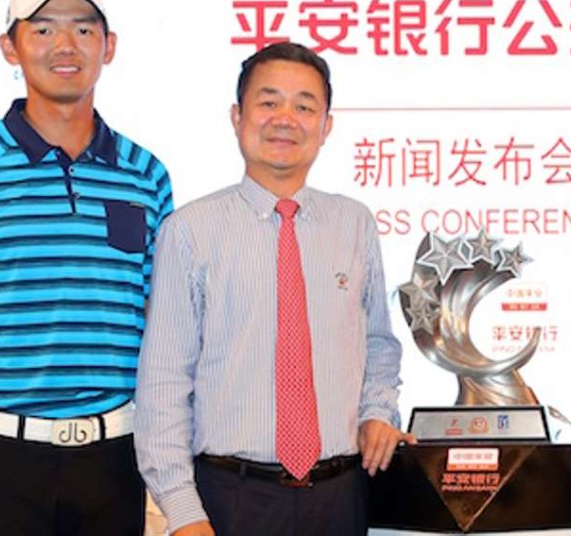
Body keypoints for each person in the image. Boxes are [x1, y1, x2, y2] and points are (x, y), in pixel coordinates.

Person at [0, 0, 174, 535]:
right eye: (44, 29)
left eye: (83, 28)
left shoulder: (145, 174)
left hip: (112, 462)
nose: (65, 45)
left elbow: (158, 320)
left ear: (109, 46)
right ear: (11, 47)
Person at [134, 41, 410, 536]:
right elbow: (164, 384)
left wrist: (377, 411)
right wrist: (182, 510)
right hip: (230, 498)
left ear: (326, 126)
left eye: (304, 106)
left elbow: (378, 345)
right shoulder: (190, 231)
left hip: (340, 496)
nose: (285, 119)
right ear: (237, 117)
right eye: (268, 102)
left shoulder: (354, 224)